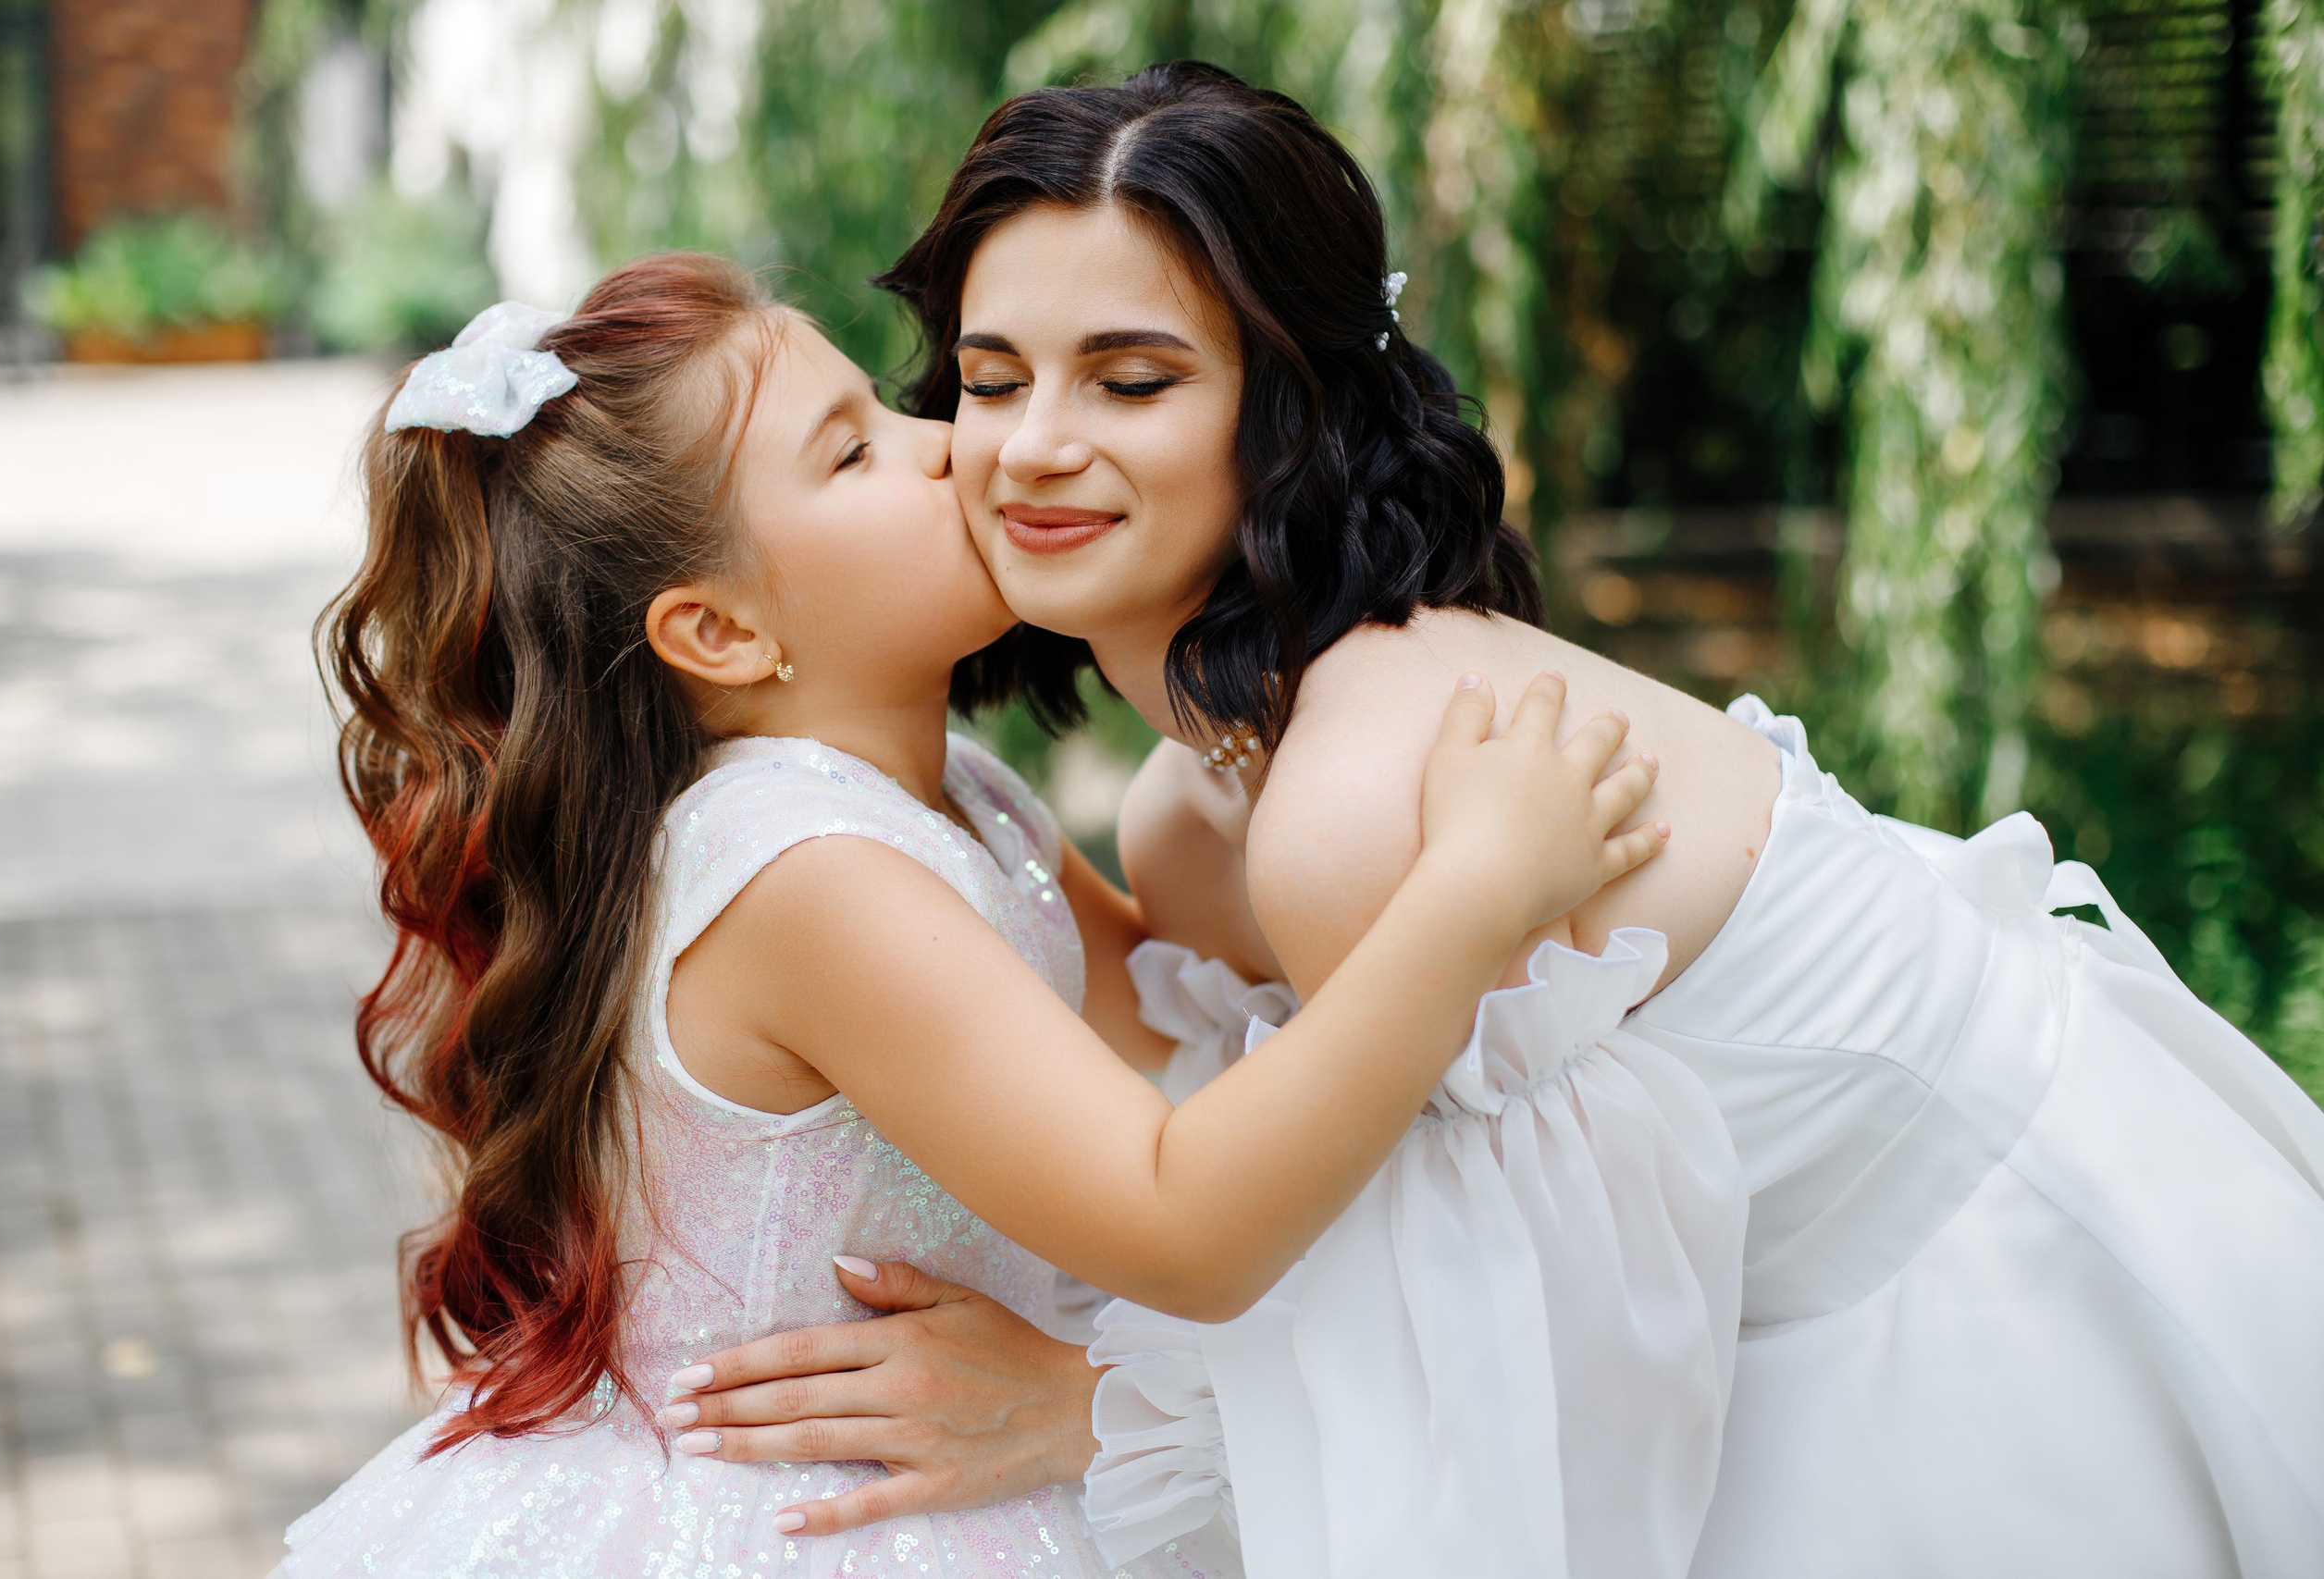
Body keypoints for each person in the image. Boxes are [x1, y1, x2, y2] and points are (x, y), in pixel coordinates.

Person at [686, 61, 2324, 1579]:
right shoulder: (1199, 808)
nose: (1035, 448)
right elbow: (1215, 1118)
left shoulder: (1357, 799)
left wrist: (1093, 1411)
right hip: (1801, 1322)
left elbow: (1544, 1354)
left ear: (1289, 410)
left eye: (1132, 380)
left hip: (1992, 1312)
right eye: (991, 380)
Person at [275, 252, 1691, 1577]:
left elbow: (1174, 1038)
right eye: (853, 452)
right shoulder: (806, 874)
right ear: (722, 633)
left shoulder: (955, 793)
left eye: (892, 409)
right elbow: (1183, 1215)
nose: (951, 442)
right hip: (805, 1517)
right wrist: (1470, 893)